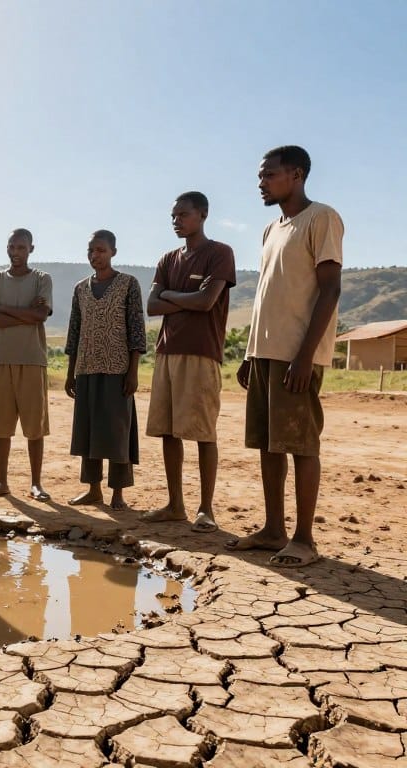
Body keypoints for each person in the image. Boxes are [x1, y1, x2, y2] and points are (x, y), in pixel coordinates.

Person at [227, 146, 343, 568]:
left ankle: (304, 539)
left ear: (296, 174)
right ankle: (273, 529)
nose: (261, 183)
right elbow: (265, 295)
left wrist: (305, 355)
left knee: (300, 444)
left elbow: (330, 288)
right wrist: (249, 351)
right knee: (269, 445)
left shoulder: (321, 218)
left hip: (297, 353)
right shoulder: (270, 229)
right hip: (264, 352)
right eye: (261, 176)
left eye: (269, 175)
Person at [144, 191, 237, 532]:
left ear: (203, 214)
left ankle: (206, 509)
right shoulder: (168, 259)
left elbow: (206, 301)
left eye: (183, 215)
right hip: (167, 352)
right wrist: (182, 299)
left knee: (202, 432)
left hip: (201, 353)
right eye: (173, 216)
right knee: (169, 430)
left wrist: (170, 295)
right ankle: (174, 504)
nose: (176, 221)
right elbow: (152, 307)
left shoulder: (219, 253)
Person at [64, 230, 146, 509]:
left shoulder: (128, 284)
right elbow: (74, 332)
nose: (95, 256)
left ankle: (118, 494)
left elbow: (136, 330)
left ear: (113, 252)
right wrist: (70, 372)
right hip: (86, 367)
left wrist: (133, 371)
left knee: (117, 431)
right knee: (89, 430)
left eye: (100, 250)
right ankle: (93, 489)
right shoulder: (80, 289)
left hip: (117, 368)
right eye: (91, 251)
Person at [0, 228, 53, 501]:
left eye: (21, 248)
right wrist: (26, 314)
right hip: (1, 359)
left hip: (33, 359)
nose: (15, 253)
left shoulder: (42, 279)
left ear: (31, 249)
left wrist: (5, 309)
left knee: (35, 426)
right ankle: (2, 482)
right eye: (11, 247)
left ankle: (36, 483)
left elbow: (41, 316)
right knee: (1, 426)